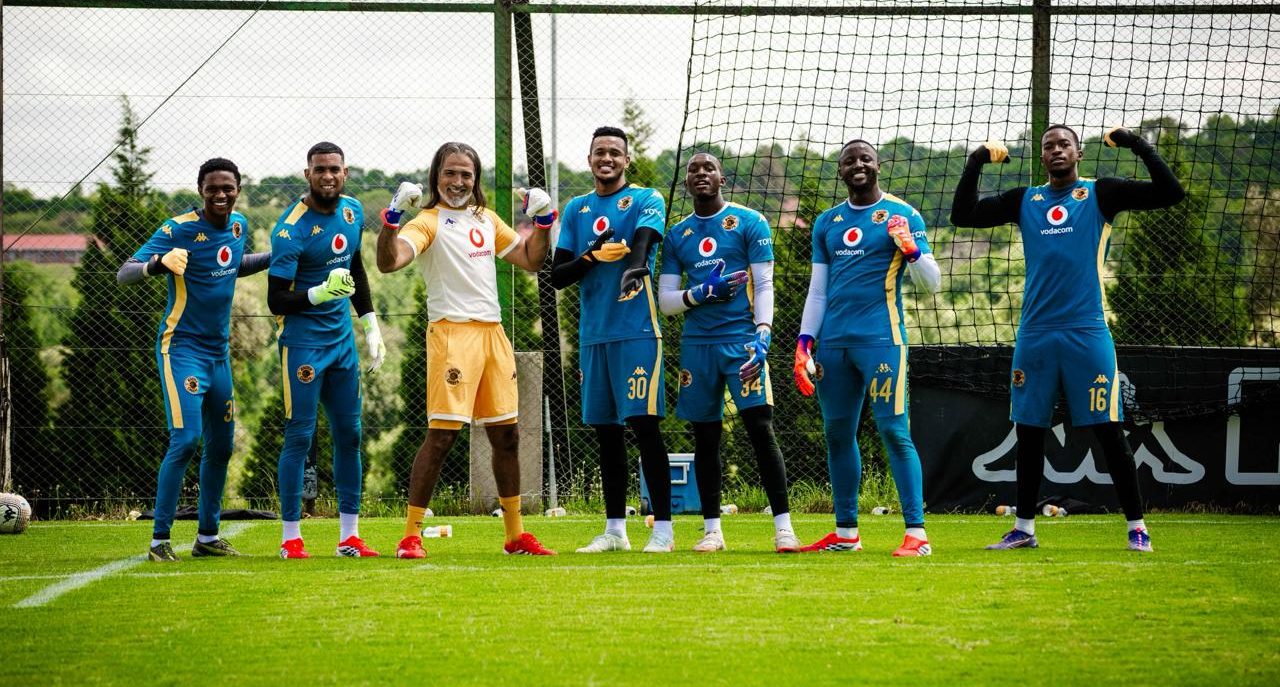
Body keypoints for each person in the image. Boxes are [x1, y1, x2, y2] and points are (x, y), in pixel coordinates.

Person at [950, 126, 1184, 552]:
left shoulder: (1101, 194)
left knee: (1109, 431)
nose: (1056, 150)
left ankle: (1137, 528)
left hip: (1086, 332)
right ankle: (1023, 529)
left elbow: (1170, 193)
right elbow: (962, 216)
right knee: (1029, 432)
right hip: (1036, 335)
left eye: (1063, 144)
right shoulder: (1026, 200)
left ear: (1078, 153)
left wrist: (1136, 144)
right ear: (1042, 158)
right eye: (1048, 146)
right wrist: (975, 162)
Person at [377, 142, 556, 558]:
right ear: (436, 176)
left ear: (475, 180)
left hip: (493, 334)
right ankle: (410, 535)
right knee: (441, 438)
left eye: (466, 174)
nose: (458, 182)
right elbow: (390, 262)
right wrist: (391, 219)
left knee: (507, 435)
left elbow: (531, 260)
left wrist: (544, 222)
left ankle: (514, 536)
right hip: (452, 335)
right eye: (450, 173)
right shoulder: (426, 221)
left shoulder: (486, 219)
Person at [793, 139, 942, 557]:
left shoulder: (903, 214)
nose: (857, 165)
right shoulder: (827, 223)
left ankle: (917, 535)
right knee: (837, 434)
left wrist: (910, 249)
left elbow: (932, 285)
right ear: (840, 171)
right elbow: (818, 292)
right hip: (833, 346)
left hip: (882, 341)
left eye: (865, 158)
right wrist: (805, 343)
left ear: (879, 165)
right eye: (848, 161)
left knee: (894, 431)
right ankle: (846, 535)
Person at [117, 157, 270, 562]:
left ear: (238, 189)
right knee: (186, 439)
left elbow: (231, 267)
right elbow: (124, 272)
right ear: (200, 190)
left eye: (228, 188)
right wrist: (157, 263)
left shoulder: (239, 226)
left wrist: (276, 256)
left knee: (221, 447)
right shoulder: (178, 228)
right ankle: (159, 541)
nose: (221, 195)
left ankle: (207, 537)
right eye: (212, 188)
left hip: (219, 355)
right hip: (181, 350)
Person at [657, 152, 800, 553]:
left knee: (760, 428)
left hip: (742, 343)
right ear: (686, 183)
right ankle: (712, 531)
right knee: (706, 437)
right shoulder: (678, 236)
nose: (701, 173)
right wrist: (699, 293)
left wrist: (763, 332)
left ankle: (784, 528)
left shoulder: (749, 222)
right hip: (697, 347)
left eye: (709, 168)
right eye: (693, 169)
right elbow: (667, 301)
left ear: (722, 178)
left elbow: (765, 283)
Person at [551, 126, 675, 553]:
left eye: (615, 153)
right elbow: (557, 275)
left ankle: (663, 531)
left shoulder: (645, 199)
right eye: (599, 152)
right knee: (606, 433)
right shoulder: (577, 209)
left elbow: (643, 241)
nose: (607, 159)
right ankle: (615, 532)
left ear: (626, 160)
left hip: (638, 332)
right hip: (594, 337)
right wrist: (591, 256)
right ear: (589, 160)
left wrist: (634, 265)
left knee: (645, 427)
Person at [266, 141, 386, 559]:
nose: (328, 176)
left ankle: (349, 537)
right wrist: (316, 293)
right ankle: (290, 539)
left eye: (334, 169)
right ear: (307, 174)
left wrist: (370, 323)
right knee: (300, 436)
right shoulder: (289, 229)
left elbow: (355, 267)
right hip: (302, 346)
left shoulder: (352, 210)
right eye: (320, 170)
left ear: (346, 172)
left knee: (350, 435)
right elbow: (276, 300)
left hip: (341, 345)